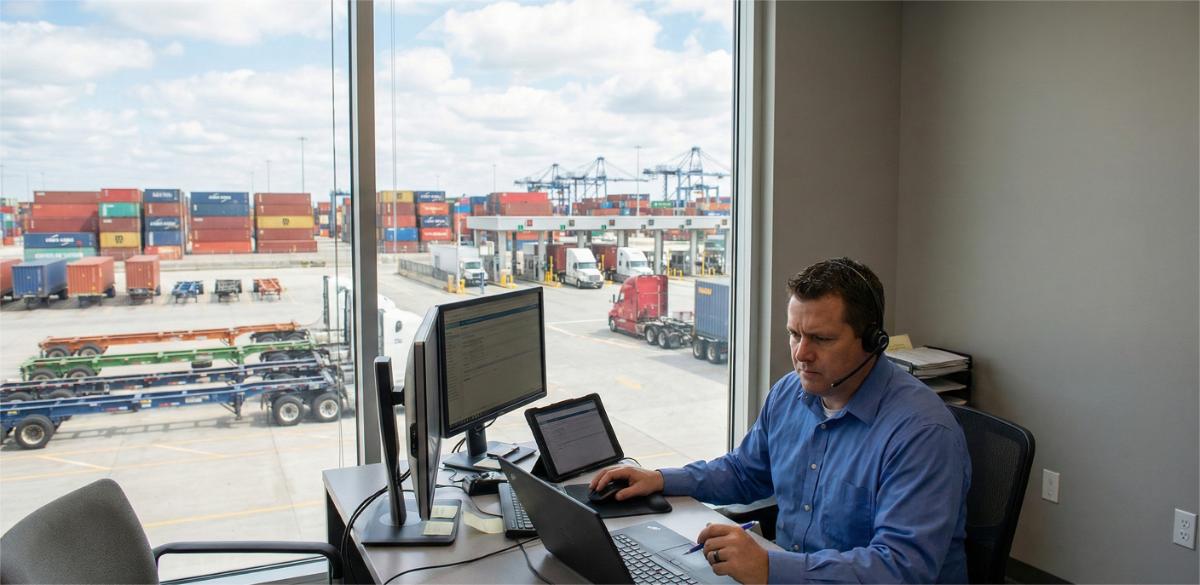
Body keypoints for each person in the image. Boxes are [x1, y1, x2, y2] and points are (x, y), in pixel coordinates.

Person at [590, 257, 971, 584]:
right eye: (794, 334)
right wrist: (662, 479)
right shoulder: (791, 392)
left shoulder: (921, 434)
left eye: (820, 338)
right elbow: (745, 472)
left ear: (872, 341)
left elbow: (903, 569)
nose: (801, 354)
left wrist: (770, 568)